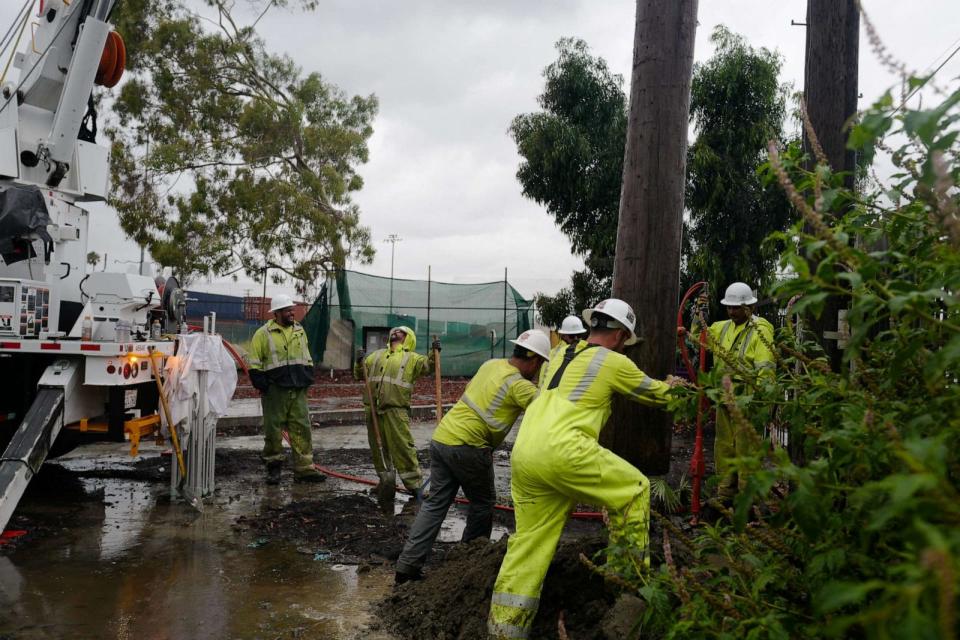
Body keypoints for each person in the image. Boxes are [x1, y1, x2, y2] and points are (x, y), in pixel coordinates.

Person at [487, 299, 682, 639]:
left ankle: (504, 631)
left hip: (525, 452)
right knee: (633, 490)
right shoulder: (613, 361)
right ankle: (627, 589)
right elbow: (659, 396)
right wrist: (678, 389)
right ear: (621, 335)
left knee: (530, 544)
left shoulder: (559, 355)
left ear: (593, 327)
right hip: (563, 449)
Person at [394, 330, 551, 585]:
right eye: (541, 364)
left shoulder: (491, 365)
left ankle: (407, 567)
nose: (539, 369)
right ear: (534, 360)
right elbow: (548, 409)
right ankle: (468, 565)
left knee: (435, 505)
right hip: (469, 447)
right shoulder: (519, 385)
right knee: (482, 503)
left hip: (443, 437)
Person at [692, 281, 775, 501]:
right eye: (729, 307)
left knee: (746, 448)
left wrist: (760, 398)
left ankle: (748, 500)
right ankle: (725, 493)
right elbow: (698, 335)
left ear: (750, 307)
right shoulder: (722, 327)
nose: (731, 311)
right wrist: (698, 314)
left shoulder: (761, 328)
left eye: (736, 308)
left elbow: (765, 366)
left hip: (747, 397)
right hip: (724, 395)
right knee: (725, 445)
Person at [354, 326, 440, 499]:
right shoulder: (376, 355)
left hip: (396, 409)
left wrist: (434, 352)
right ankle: (386, 481)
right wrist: (359, 362)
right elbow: (359, 374)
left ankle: (415, 485)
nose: (395, 333)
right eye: (394, 331)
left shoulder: (412, 358)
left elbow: (429, 366)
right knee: (378, 448)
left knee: (402, 447)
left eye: (401, 332)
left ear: (409, 338)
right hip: (373, 409)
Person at [247, 294, 325, 484]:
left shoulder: (299, 330)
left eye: (292, 310)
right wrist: (264, 385)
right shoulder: (263, 334)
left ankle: (305, 469)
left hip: (298, 389)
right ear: (278, 313)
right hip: (275, 391)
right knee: (273, 432)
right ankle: (273, 468)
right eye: (288, 310)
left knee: (302, 429)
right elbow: (254, 363)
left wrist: (307, 377)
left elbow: (305, 356)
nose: (292, 313)